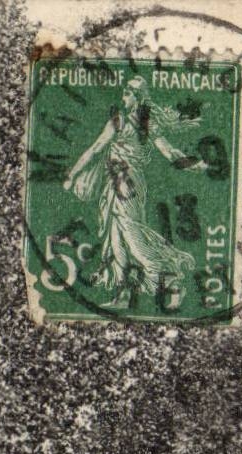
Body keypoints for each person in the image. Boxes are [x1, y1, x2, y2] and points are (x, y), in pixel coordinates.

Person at [63, 77, 205, 310]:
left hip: (129, 184)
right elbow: (96, 149)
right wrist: (73, 174)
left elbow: (168, 151)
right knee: (116, 238)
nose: (123, 98)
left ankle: (172, 280)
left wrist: (191, 163)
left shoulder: (145, 124)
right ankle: (124, 294)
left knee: (132, 237)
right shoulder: (119, 122)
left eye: (128, 94)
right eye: (124, 93)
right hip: (114, 182)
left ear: (138, 98)